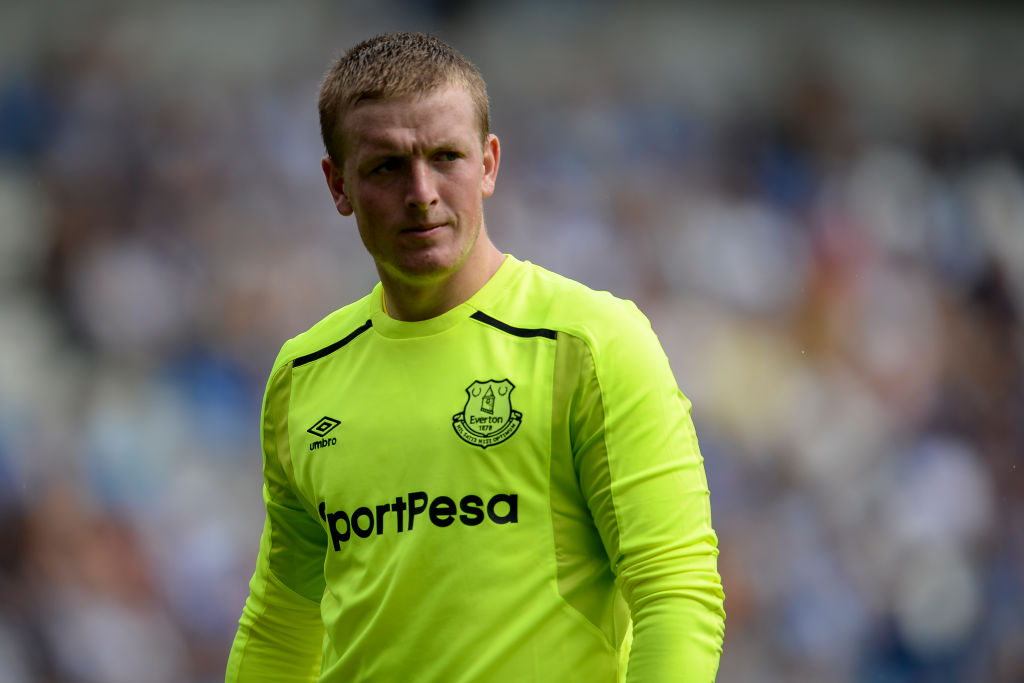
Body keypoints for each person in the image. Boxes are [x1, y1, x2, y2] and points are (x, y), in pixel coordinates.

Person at [226, 32, 725, 682]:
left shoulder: (590, 343)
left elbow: (675, 590)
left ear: (488, 164)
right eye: (387, 167)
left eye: (446, 157)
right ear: (338, 184)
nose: (421, 191)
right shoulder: (304, 374)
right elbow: (282, 623)